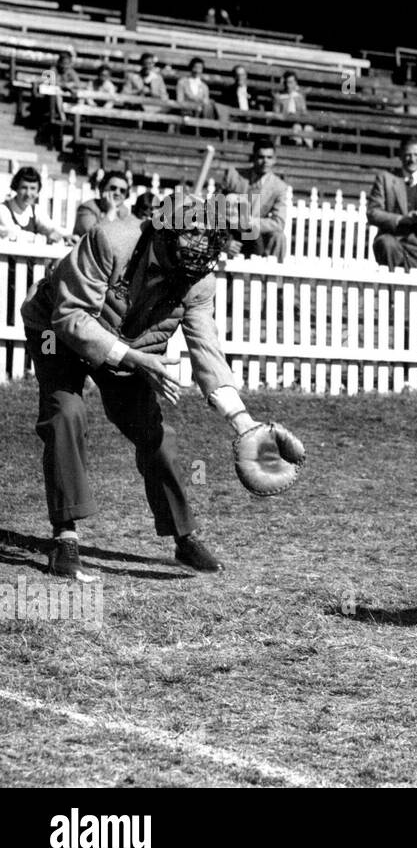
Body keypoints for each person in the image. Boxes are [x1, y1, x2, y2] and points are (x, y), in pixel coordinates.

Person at [19, 196, 295, 577]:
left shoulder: (199, 279)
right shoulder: (109, 240)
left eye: (205, 236)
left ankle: (184, 537)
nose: (196, 249)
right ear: (161, 233)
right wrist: (133, 358)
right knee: (67, 413)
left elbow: (207, 349)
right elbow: (70, 316)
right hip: (56, 329)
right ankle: (65, 536)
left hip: (129, 346)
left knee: (156, 434)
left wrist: (242, 421)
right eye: (189, 235)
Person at [367, 137, 417, 271]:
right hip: (393, 239)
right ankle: (391, 291)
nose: (412, 159)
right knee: (387, 245)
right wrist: (401, 219)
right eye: (408, 155)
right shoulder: (385, 178)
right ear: (400, 156)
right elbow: (373, 212)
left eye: (416, 155)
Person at [220, 138, 290, 261]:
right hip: (231, 231)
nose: (265, 162)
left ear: (275, 159)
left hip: (255, 234)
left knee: (279, 237)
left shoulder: (279, 187)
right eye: (261, 157)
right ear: (253, 157)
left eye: (269, 157)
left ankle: (269, 277)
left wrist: (250, 221)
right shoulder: (234, 176)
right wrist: (224, 242)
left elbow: (278, 223)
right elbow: (214, 209)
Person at [0, 167, 66, 243]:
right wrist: (45, 238)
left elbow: (50, 227)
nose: (28, 194)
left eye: (33, 188)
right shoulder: (3, 210)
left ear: (37, 191)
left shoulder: (36, 210)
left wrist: (61, 235)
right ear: (16, 188)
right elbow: (13, 234)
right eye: (24, 188)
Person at [74, 170, 134, 238]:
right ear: (102, 189)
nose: (117, 193)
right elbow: (93, 237)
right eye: (113, 188)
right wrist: (111, 211)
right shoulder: (87, 208)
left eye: (122, 191)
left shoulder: (124, 210)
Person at [274, 71, 313, 146]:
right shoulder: (279, 96)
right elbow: (276, 113)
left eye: (291, 82)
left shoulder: (299, 96)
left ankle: (309, 149)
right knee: (296, 127)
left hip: (298, 120)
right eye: (287, 82)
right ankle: (297, 146)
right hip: (285, 122)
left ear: (295, 83)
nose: (289, 85)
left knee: (308, 128)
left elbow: (304, 111)